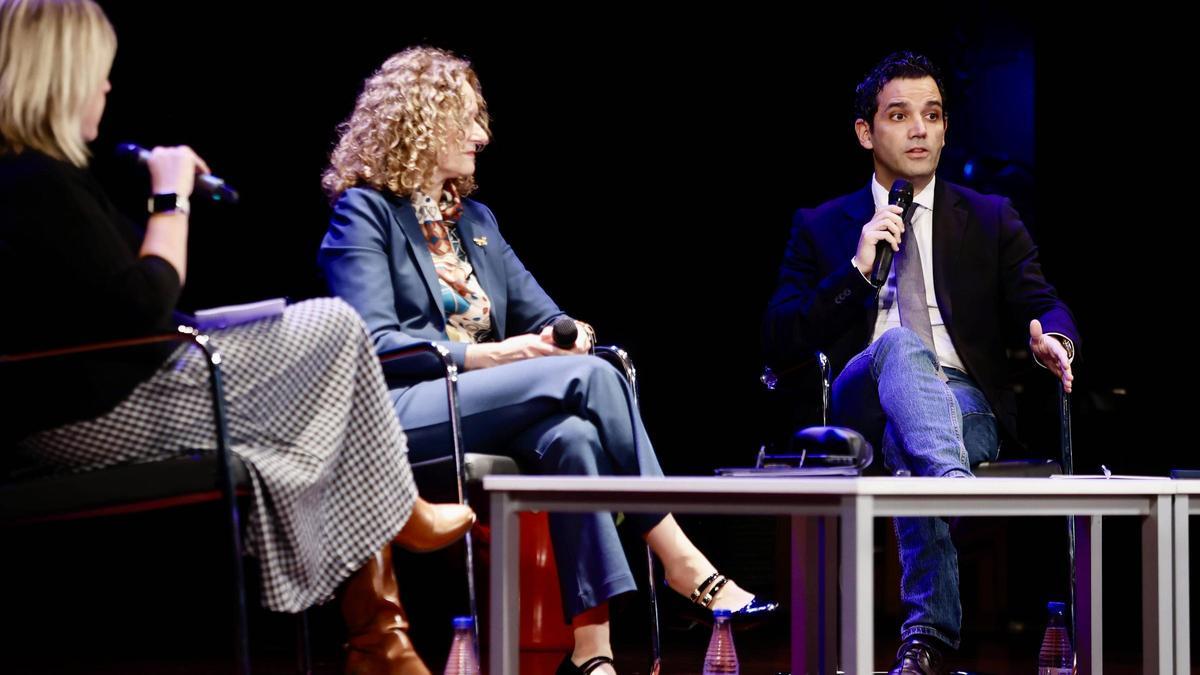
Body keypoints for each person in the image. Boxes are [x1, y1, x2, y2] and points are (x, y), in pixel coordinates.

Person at [0, 3, 471, 673]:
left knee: (312, 395)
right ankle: (391, 543)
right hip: (87, 419)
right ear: (61, 76)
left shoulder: (49, 179)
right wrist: (171, 199)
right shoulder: (32, 184)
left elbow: (118, 311)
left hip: (120, 389)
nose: (106, 88)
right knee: (335, 328)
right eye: (98, 74)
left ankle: (380, 632)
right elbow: (143, 304)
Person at [318, 45, 777, 675]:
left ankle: (594, 656)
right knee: (590, 383)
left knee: (574, 436)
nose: (481, 135)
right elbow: (374, 345)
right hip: (400, 415)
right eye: (466, 119)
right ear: (419, 124)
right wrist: (490, 354)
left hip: (485, 407)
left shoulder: (475, 222)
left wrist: (569, 333)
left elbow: (546, 316)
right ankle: (684, 563)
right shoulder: (364, 213)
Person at [762, 51, 1078, 674]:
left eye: (931, 115)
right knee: (899, 345)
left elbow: (1046, 302)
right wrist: (854, 271)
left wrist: (1055, 341)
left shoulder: (989, 217)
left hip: (964, 404)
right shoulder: (823, 224)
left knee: (918, 449)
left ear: (945, 127)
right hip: (861, 406)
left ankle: (927, 642)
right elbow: (780, 337)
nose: (919, 130)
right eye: (900, 115)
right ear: (865, 132)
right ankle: (954, 490)